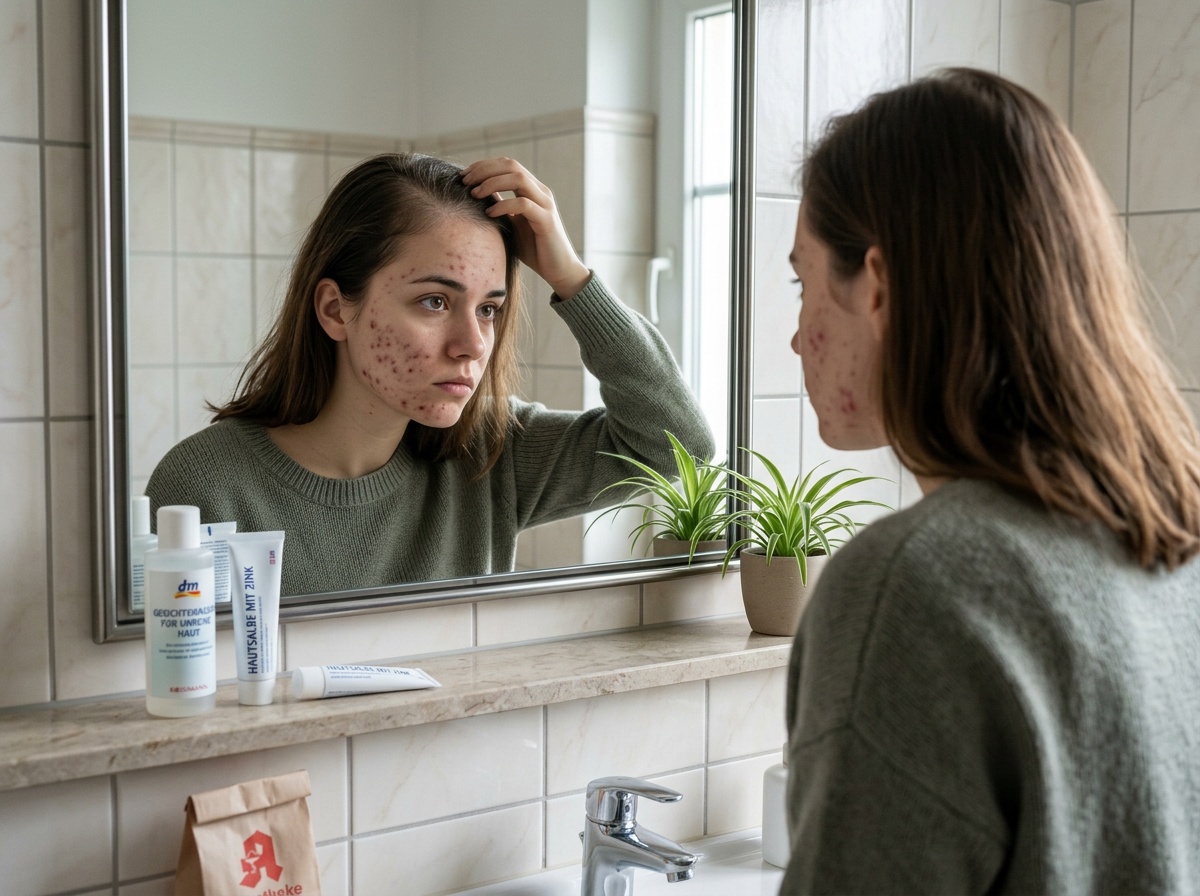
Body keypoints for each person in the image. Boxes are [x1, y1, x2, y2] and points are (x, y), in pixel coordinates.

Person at [780, 68, 1200, 894]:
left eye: (803, 282)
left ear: (880, 286)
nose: (796, 337)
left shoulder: (912, 586)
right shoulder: (1169, 535)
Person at [146, 154, 714, 595]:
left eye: (488, 309)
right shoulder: (204, 486)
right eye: (434, 302)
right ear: (335, 309)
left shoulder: (489, 454)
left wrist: (571, 277)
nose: (473, 345)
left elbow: (678, 446)